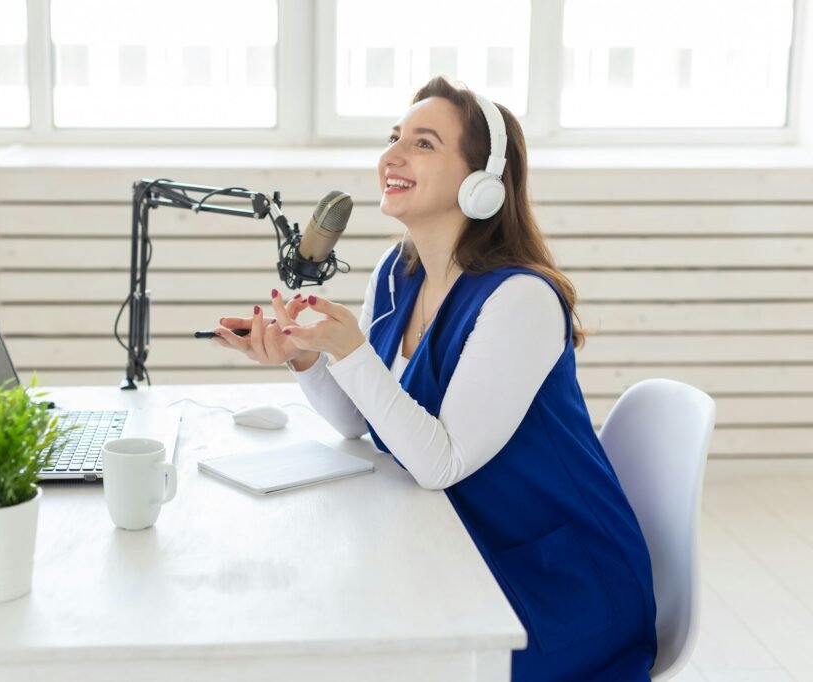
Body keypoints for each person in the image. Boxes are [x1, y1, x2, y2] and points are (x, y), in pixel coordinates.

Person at [210, 76, 657, 681]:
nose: (391, 157)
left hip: (556, 593)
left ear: (481, 182)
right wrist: (308, 357)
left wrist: (351, 350)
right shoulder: (399, 272)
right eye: (393, 138)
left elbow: (440, 462)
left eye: (422, 144)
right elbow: (359, 421)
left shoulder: (520, 298)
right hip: (463, 549)